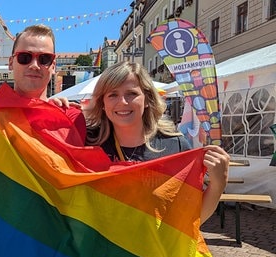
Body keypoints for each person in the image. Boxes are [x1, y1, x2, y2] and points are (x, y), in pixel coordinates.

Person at [0, 23, 88, 257]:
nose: (34, 65)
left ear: (54, 64)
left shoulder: (72, 119)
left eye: (44, 59)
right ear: (11, 62)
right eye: (25, 57)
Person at [85, 61, 229, 223]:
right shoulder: (86, 144)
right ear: (102, 103)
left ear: (147, 99)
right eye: (112, 94)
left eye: (131, 94)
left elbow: (192, 218)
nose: (123, 102)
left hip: (154, 247)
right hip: (102, 246)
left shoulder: (174, 145)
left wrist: (218, 184)